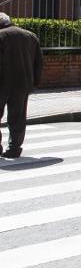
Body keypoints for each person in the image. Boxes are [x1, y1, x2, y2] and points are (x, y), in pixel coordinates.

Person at [0, 13, 43, 159]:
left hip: (2, 84)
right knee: (17, 118)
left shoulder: (1, 36)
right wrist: (35, 82)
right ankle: (14, 148)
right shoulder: (30, 36)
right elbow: (38, 63)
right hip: (22, 85)